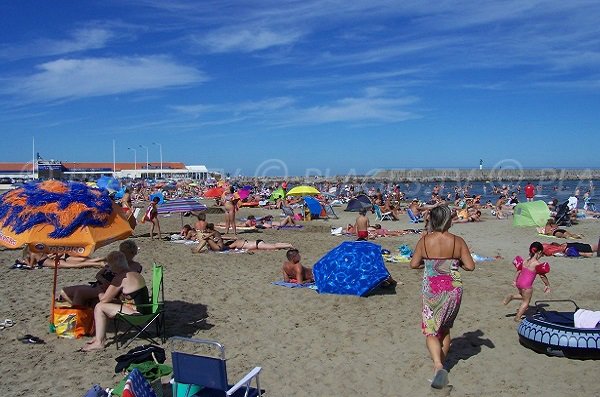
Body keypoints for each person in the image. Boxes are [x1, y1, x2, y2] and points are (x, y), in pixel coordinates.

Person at [409, 205, 475, 389]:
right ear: (448, 220)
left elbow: (413, 264)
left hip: (431, 288)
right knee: (444, 328)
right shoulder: (458, 241)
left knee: (431, 330)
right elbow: (470, 266)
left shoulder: (424, 241)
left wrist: (429, 265)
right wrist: (455, 263)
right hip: (453, 288)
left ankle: (438, 366)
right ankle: (442, 367)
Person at [81, 251, 149, 351]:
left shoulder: (121, 278)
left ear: (115, 266)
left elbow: (104, 299)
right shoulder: (134, 273)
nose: (108, 268)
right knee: (108, 304)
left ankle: (99, 342)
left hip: (137, 315)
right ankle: (99, 337)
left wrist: (98, 288)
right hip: (146, 310)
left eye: (109, 265)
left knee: (100, 306)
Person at [60, 240, 142, 306]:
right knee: (63, 292)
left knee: (79, 292)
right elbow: (98, 275)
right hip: (98, 285)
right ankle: (86, 310)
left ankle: (79, 319)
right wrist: (102, 279)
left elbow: (124, 281)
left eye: (124, 251)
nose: (121, 253)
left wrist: (106, 283)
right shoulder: (116, 261)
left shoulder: (135, 266)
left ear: (133, 253)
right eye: (121, 250)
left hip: (108, 290)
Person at [503, 242, 551, 322]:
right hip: (526, 285)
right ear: (539, 252)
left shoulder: (525, 260)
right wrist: (547, 285)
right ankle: (517, 317)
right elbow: (542, 276)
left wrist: (515, 281)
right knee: (526, 302)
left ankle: (512, 297)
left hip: (519, 282)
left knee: (523, 296)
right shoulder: (536, 264)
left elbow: (518, 271)